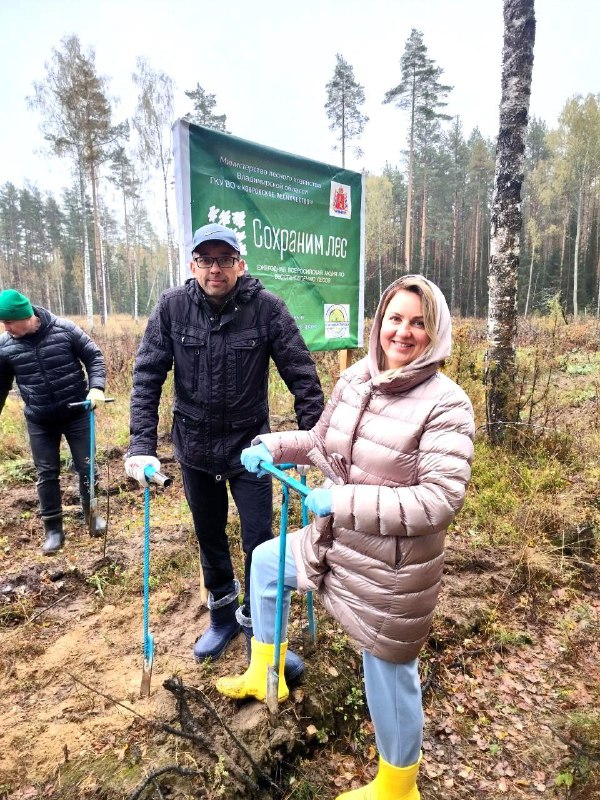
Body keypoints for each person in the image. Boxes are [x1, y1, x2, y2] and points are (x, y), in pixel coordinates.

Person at [216, 275, 475, 800]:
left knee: (388, 673)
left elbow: (439, 501)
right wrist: (272, 444)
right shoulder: (357, 378)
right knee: (266, 564)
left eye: (418, 323)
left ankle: (398, 786)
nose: (402, 333)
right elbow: (320, 442)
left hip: (390, 570)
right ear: (380, 322)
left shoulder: (448, 404)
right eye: (395, 319)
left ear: (436, 332)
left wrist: (344, 501)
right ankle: (267, 670)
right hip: (336, 544)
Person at [125, 223, 324, 678]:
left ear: (240, 263)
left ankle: (259, 631)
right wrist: (141, 445)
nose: (215, 269)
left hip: (248, 449)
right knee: (209, 534)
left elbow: (302, 375)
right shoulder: (172, 308)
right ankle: (221, 614)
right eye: (205, 260)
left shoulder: (267, 309)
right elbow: (147, 378)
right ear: (193, 265)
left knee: (259, 541)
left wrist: (317, 444)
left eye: (224, 259)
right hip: (194, 449)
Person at [0, 289, 107, 555]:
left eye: (7, 322)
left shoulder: (64, 330)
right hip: (40, 420)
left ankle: (92, 516)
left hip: (77, 414)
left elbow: (93, 356)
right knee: (46, 473)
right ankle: (54, 531)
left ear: (24, 317)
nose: (4, 327)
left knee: (86, 466)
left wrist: (96, 388)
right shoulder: (6, 346)